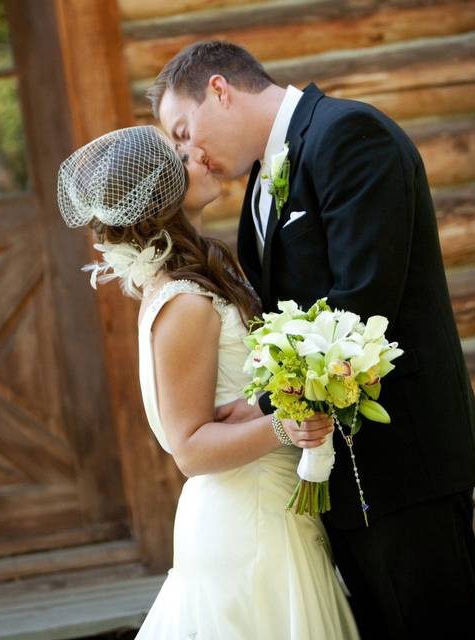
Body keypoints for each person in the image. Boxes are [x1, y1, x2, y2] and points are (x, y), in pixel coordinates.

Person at [148, 40, 475, 639]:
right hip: (338, 482)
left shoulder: (350, 136)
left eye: (184, 131)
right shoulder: (264, 180)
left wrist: (264, 407)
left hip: (403, 467)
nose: (190, 153)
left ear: (220, 90)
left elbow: (363, 303)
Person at [58, 125, 359, 639]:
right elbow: (190, 448)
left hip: (269, 507)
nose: (197, 152)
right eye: (180, 155)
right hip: (246, 523)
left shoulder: (199, 279)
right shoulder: (186, 304)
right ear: (162, 193)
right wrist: (286, 426)